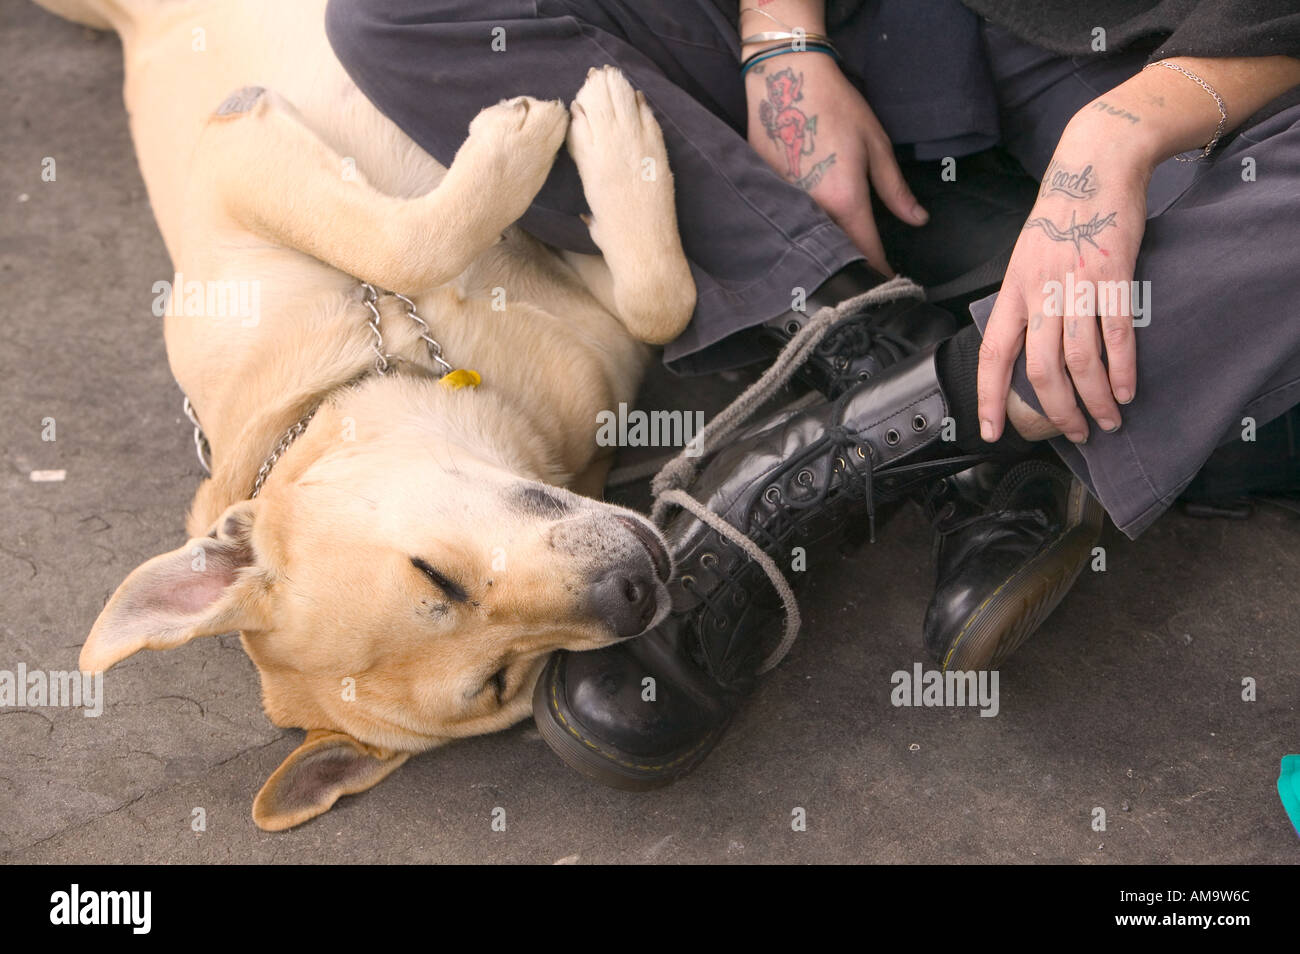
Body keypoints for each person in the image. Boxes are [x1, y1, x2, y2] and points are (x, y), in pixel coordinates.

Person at [325, 0, 1300, 789]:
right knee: (397, 11)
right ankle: (881, 344)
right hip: (897, 31)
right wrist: (781, 36)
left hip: (1218, 89)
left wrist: (1118, 135)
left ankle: (907, 424)